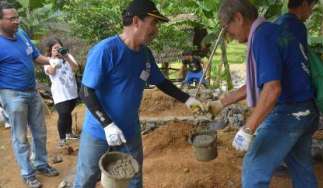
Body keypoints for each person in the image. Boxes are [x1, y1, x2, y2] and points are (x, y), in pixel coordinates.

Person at [73, 0, 203, 187]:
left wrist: (189, 100)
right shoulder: (106, 50)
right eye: (153, 23)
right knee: (87, 179)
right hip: (98, 132)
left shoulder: (145, 54)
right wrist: (107, 124)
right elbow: (86, 91)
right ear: (136, 21)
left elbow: (162, 82)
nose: (156, 30)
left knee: (133, 179)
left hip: (129, 131)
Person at [208, 0, 319, 187]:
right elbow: (259, 83)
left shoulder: (262, 37)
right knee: (301, 167)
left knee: (254, 168)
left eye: (228, 28)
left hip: (290, 113)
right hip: (306, 110)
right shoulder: (270, 30)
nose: (229, 34)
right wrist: (221, 103)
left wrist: (248, 128)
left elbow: (272, 89)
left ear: (238, 18)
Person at [0, 2, 59, 188]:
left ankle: (41, 164)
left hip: (32, 92)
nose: (17, 21)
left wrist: (52, 60)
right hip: (12, 94)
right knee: (20, 137)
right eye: (12, 19)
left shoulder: (22, 35)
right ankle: (28, 173)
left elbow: (35, 57)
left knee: (40, 132)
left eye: (17, 17)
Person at [273, 0, 318, 176]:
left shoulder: (277, 24)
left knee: (300, 155)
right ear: (304, 4)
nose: (311, 12)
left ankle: (282, 161)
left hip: (286, 98)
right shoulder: (298, 27)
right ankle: (280, 161)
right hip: (297, 99)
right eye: (312, 7)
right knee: (302, 161)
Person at [44, 37, 79, 147]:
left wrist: (66, 56)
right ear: (50, 50)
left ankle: (69, 134)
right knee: (63, 114)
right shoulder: (47, 60)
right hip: (60, 93)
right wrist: (54, 59)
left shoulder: (67, 56)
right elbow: (50, 72)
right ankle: (62, 138)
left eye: (59, 47)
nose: (58, 50)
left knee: (68, 112)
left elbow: (76, 68)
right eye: (55, 48)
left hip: (71, 91)